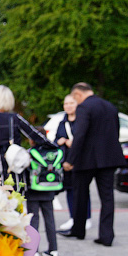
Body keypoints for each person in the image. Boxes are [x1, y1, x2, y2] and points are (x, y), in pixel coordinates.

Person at [60, 82, 126, 246]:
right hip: (109, 159)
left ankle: (78, 230)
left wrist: (70, 160)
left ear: (77, 95)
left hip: (86, 160)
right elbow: (115, 131)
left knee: (80, 194)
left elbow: (80, 135)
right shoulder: (110, 106)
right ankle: (106, 236)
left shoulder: (84, 107)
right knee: (107, 198)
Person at [0, 85, 53, 191]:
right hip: (13, 173)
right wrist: (53, 146)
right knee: (14, 205)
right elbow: (34, 135)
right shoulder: (14, 118)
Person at [54, 94, 92, 232]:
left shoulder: (82, 121)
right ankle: (72, 217)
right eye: (66, 104)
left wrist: (73, 143)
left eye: (71, 103)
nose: (68, 106)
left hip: (81, 161)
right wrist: (59, 142)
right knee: (70, 189)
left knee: (83, 190)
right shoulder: (62, 123)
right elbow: (55, 141)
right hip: (66, 163)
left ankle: (86, 217)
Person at [26, 128, 58, 256]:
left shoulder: (31, 152)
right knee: (50, 219)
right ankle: (53, 250)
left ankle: (34, 251)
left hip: (33, 190)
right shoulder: (53, 151)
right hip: (49, 188)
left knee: (34, 220)